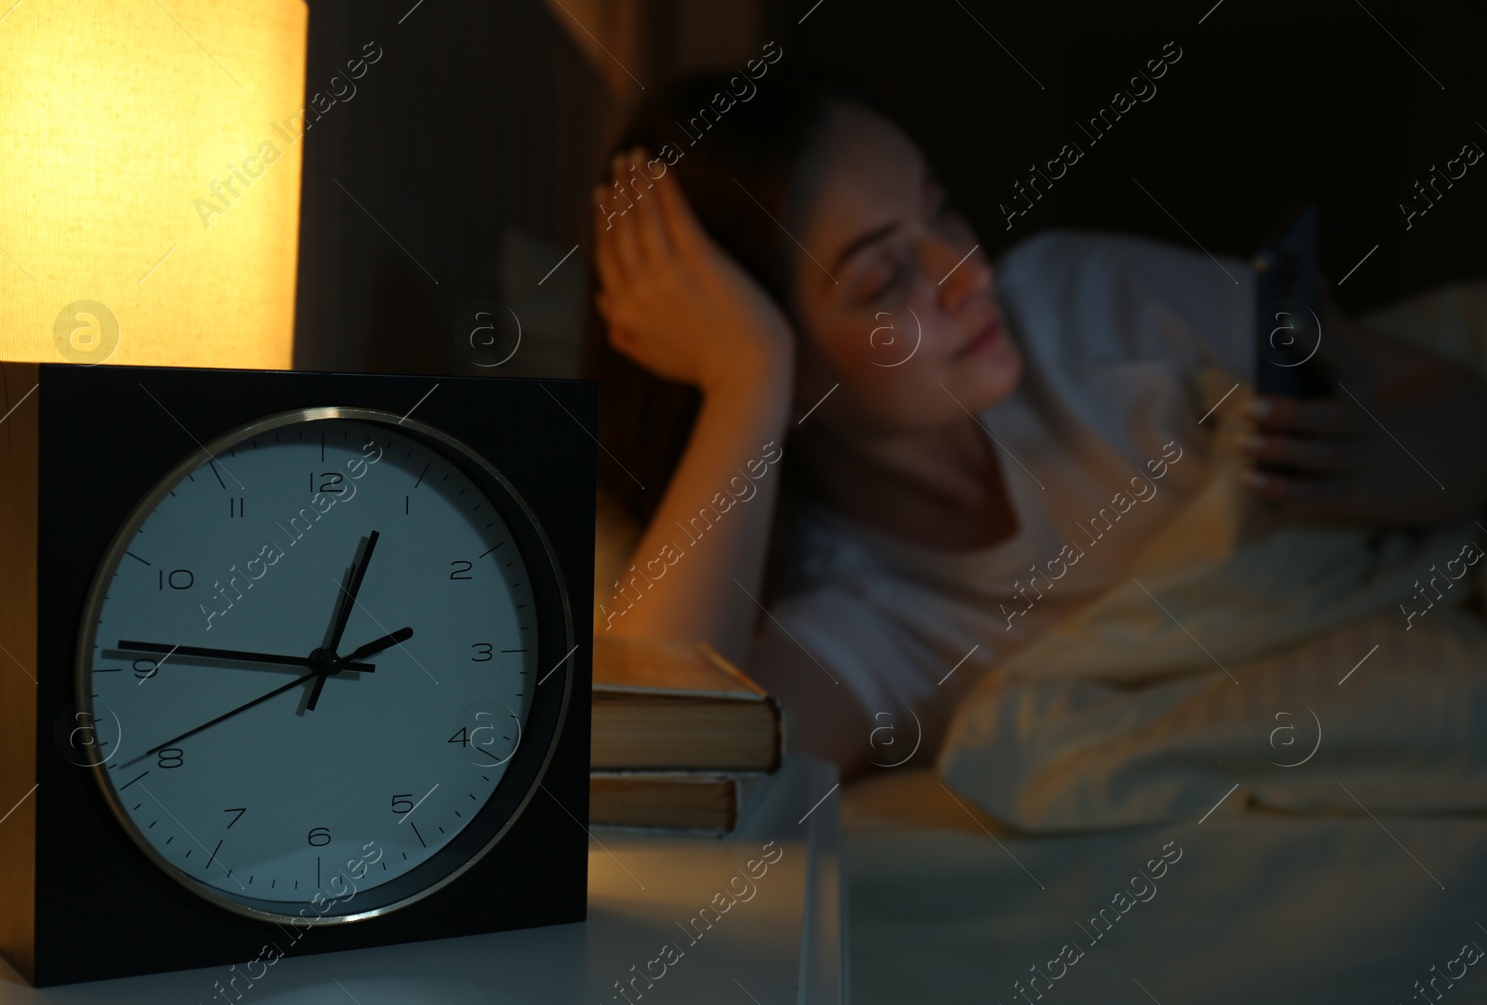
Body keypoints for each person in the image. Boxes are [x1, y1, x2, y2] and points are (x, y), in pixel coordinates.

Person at [583, 66, 1487, 781]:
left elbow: (1446, 395)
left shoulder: (1085, 302)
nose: (967, 269)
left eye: (938, 209)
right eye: (883, 278)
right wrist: (746, 382)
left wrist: (1383, 461)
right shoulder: (865, 617)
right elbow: (648, 764)